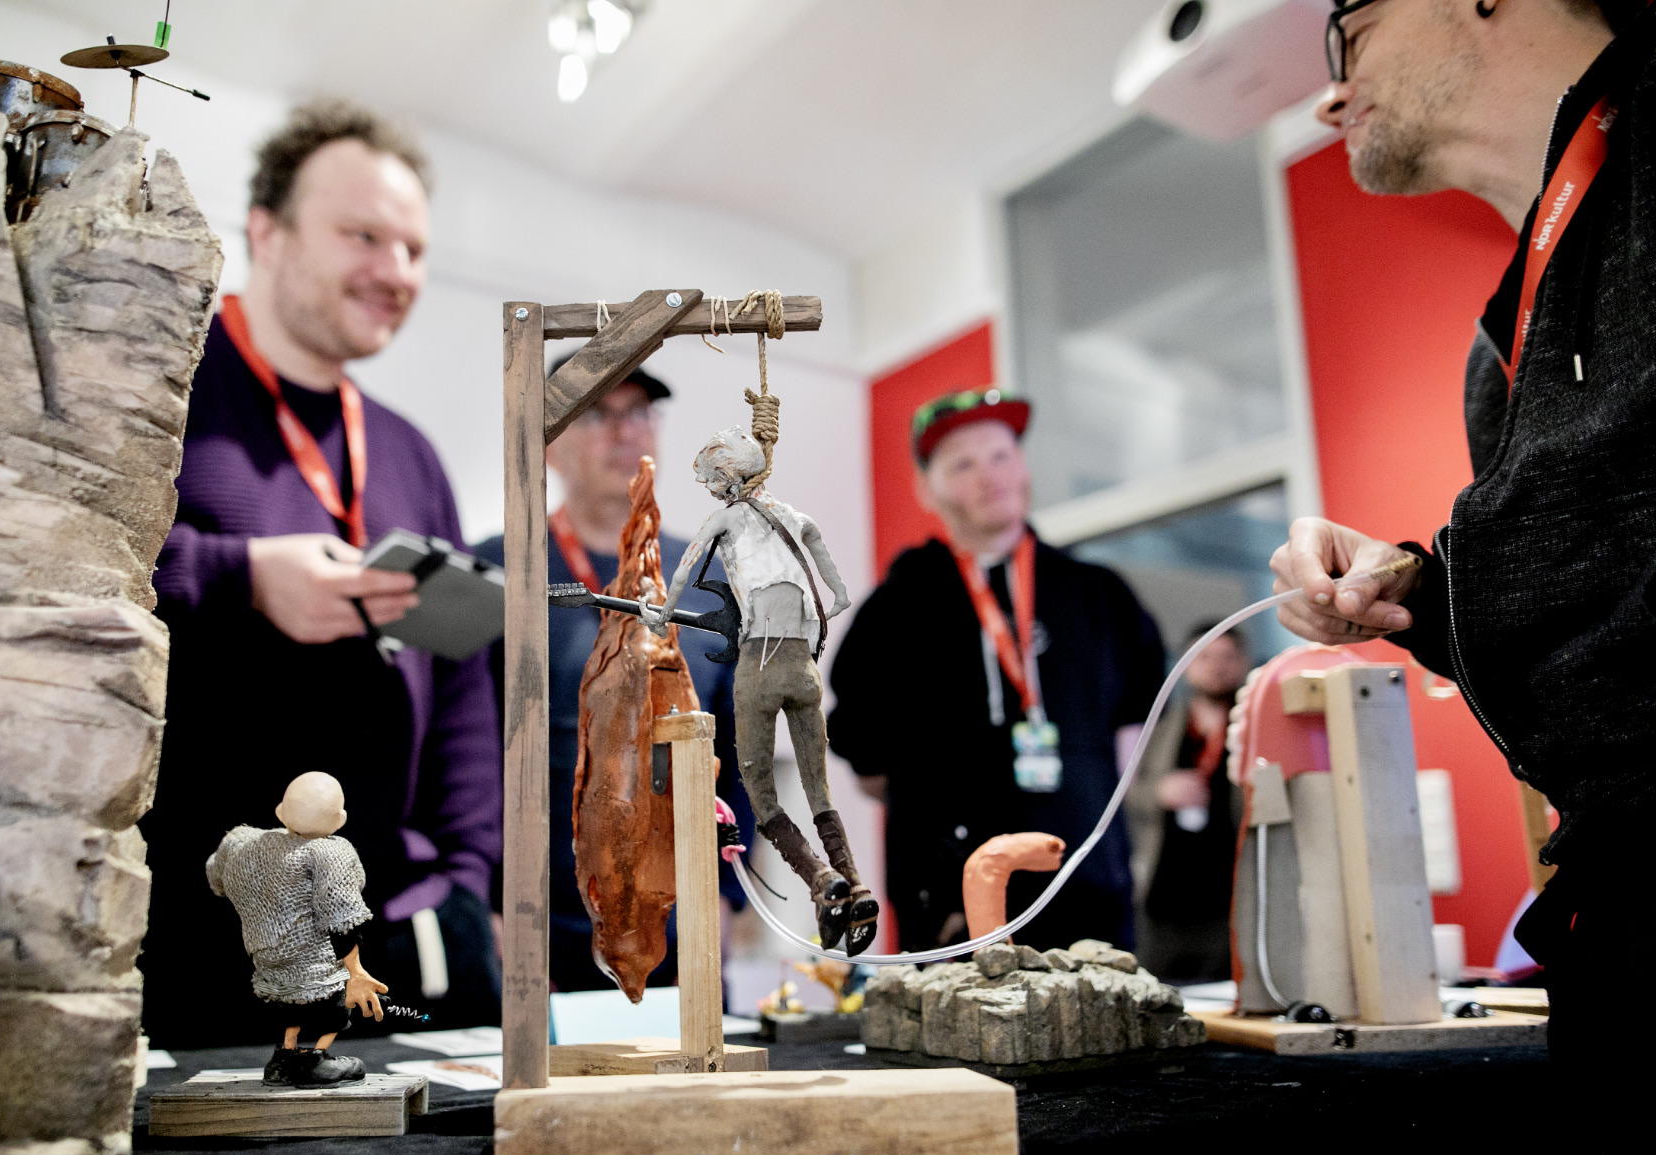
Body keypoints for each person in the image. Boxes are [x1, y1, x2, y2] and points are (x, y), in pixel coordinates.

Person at [1274, 1, 1656, 1079]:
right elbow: (1599, 588)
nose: (1329, 98)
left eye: (1347, 33)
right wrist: (1414, 587)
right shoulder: (1501, 349)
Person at [141, 102, 502, 1045]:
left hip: (395, 932)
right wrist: (242, 578)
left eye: (415, 250)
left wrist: (467, 877)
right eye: (364, 236)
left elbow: (461, 681)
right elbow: (68, 565)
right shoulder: (159, 393)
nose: (398, 272)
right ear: (267, 232)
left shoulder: (409, 453)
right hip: (195, 931)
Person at [827, 389, 1165, 953]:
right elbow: (865, 759)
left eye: (1001, 456)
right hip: (949, 902)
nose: (989, 476)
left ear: (1023, 466)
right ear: (926, 489)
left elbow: (1138, 718)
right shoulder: (896, 606)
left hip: (1086, 887)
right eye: (962, 464)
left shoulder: (1098, 594)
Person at [476, 361, 753, 991]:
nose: (625, 432)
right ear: (549, 443)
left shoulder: (708, 576)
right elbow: (471, 749)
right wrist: (486, 899)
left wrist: (729, 894)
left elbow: (739, 746)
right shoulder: (503, 568)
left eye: (639, 413)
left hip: (680, 919)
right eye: (599, 413)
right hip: (536, 920)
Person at [643, 420, 876, 955]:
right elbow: (835, 588)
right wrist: (830, 606)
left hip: (761, 665)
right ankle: (856, 885)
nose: (708, 488)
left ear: (726, 477)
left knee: (762, 796)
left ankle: (821, 879)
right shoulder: (794, 517)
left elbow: (681, 575)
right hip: (802, 668)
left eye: (710, 478)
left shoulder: (724, 519)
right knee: (819, 792)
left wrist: (662, 616)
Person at [206, 772, 389, 1088]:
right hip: (314, 962)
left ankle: (284, 1058)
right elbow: (342, 919)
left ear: (280, 812)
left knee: (287, 1007)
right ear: (341, 819)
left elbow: (216, 879)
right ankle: (315, 1060)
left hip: (265, 957)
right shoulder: (329, 852)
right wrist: (356, 971)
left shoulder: (240, 843)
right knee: (333, 1010)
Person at [1126, 622, 1249, 982]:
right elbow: (1126, 792)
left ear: (1243, 663)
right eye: (1204, 657)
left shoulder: (1256, 726)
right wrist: (1158, 792)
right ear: (1184, 664)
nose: (1216, 666)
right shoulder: (1159, 726)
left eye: (1227, 657)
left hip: (1231, 902)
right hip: (1165, 900)